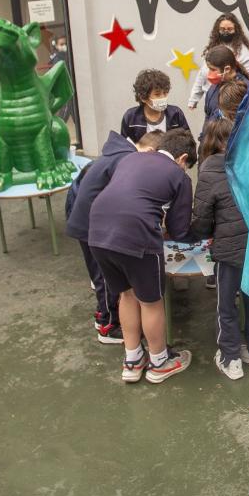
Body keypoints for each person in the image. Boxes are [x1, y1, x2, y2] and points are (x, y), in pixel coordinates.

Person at [88, 129, 197, 384]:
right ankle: (160, 361)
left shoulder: (130, 158)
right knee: (151, 301)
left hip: (98, 232)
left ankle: (133, 359)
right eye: (186, 166)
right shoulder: (178, 177)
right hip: (136, 236)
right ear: (182, 158)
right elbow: (180, 229)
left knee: (126, 294)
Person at [192, 118, 249, 380]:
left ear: (209, 141)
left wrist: (203, 234)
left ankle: (231, 358)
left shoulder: (209, 169)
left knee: (226, 306)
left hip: (229, 252)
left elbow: (202, 219)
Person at [65, 130, 163, 344]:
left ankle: (107, 316)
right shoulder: (126, 160)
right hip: (91, 227)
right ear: (150, 151)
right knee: (106, 279)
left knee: (104, 276)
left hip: (91, 223)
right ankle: (108, 325)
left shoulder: (120, 154)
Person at [187, 14, 249, 111]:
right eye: (222, 29)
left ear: (236, 30)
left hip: (231, 104)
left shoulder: (244, 53)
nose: (226, 32)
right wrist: (193, 99)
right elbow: (202, 74)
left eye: (229, 29)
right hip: (211, 100)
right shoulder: (212, 49)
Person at [120, 69, 190, 142]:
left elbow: (188, 143)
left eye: (165, 93)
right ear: (143, 97)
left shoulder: (176, 114)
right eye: (157, 94)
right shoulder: (131, 117)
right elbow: (124, 147)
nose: (163, 97)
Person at [201, 45, 249, 134]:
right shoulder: (212, 89)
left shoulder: (248, 90)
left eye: (213, 69)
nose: (209, 73)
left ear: (227, 69)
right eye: (208, 69)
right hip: (212, 144)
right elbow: (207, 120)